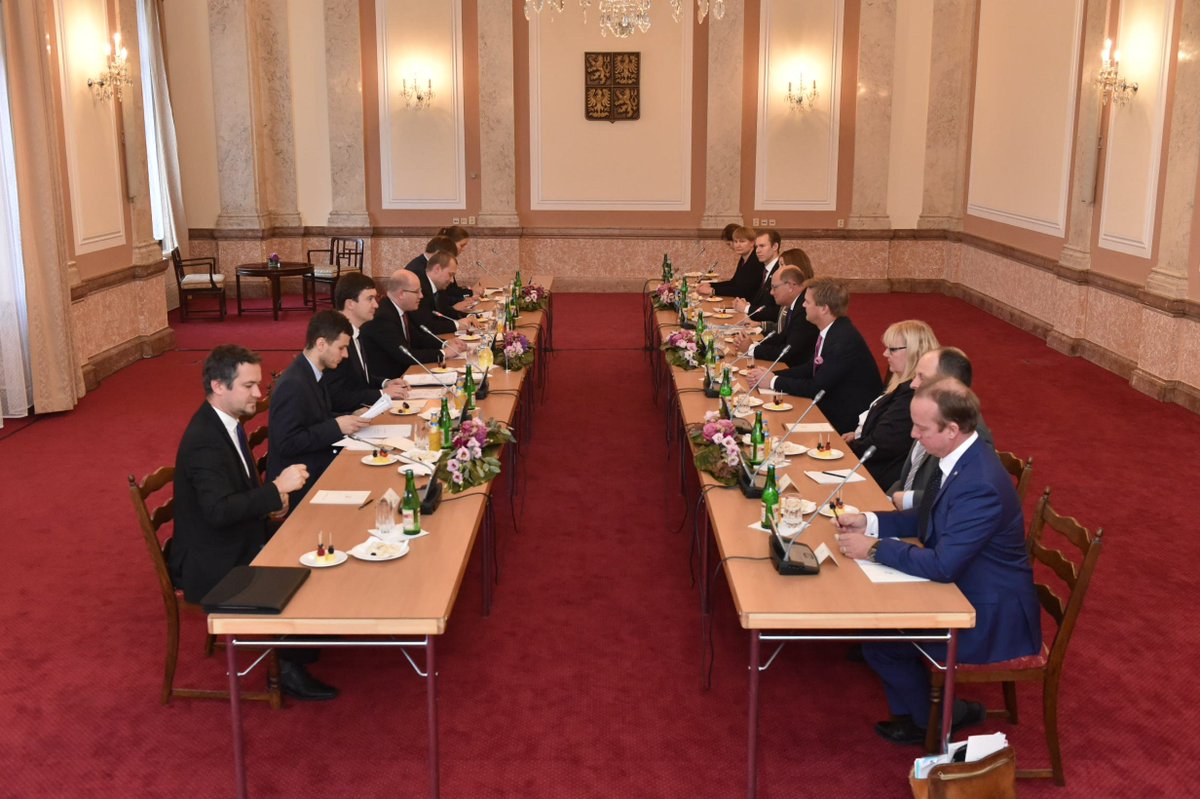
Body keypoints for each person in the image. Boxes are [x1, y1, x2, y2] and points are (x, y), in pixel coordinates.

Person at [834, 378, 1041, 745]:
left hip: (988, 613)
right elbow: (930, 517)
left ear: (952, 429)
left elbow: (944, 566)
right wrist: (870, 521)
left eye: (922, 428)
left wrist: (875, 548)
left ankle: (938, 719)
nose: (913, 435)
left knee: (883, 644)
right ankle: (924, 715)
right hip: (969, 585)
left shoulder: (980, 484)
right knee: (880, 634)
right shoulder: (959, 459)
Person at [169, 345, 337, 700]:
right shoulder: (204, 441)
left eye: (258, 384)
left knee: (313, 539)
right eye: (248, 386)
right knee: (302, 562)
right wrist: (275, 490)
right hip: (215, 559)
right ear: (218, 386)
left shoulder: (225, 423)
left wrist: (270, 504)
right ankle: (289, 667)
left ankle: (308, 638)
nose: (258, 394)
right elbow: (218, 511)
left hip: (234, 534)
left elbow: (234, 496)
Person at [744, 277, 882, 434]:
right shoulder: (833, 329)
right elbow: (811, 368)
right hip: (831, 403)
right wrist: (770, 375)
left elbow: (816, 388)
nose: (803, 305)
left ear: (824, 308)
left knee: (775, 425)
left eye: (807, 302)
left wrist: (773, 381)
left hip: (846, 421)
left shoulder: (842, 341)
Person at [266, 310, 369, 507]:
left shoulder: (313, 372)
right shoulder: (293, 384)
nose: (346, 355)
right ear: (321, 344)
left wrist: (350, 416)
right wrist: (337, 426)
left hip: (317, 462)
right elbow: (287, 442)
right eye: (341, 348)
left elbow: (317, 417)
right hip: (300, 482)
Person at [888, 347, 993, 511]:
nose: (913, 384)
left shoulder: (970, 433)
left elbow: (955, 497)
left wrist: (908, 499)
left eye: (922, 377)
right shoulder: (931, 414)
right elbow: (906, 480)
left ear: (949, 383)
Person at [843, 320, 939, 488]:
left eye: (892, 349)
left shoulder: (912, 394)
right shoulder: (900, 383)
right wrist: (859, 435)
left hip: (879, 480)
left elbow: (881, 444)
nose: (885, 354)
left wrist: (845, 447)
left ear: (914, 352)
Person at [323, 272, 410, 415]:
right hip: (348, 418)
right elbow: (336, 397)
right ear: (350, 304)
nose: (376, 305)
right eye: (370, 299)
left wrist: (385, 383)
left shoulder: (356, 332)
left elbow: (360, 379)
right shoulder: (334, 340)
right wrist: (381, 393)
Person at [360, 268, 465, 379]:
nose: (421, 296)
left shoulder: (398, 309)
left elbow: (418, 339)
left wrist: (445, 343)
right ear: (401, 294)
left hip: (405, 373)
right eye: (417, 292)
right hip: (393, 379)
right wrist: (444, 353)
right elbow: (406, 355)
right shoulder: (383, 317)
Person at [730, 264, 818, 367]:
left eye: (774, 287)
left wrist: (751, 348)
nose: (771, 292)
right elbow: (782, 338)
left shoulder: (804, 309)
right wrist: (753, 343)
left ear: (790, 286)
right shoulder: (796, 303)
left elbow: (789, 352)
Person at [696, 225, 762, 301]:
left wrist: (713, 290)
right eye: (736, 241)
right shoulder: (744, 258)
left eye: (742, 241)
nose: (738, 245)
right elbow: (734, 283)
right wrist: (710, 285)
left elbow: (743, 291)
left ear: (752, 243)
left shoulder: (756, 260)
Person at [739, 230, 784, 323]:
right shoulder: (765, 269)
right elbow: (763, 302)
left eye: (762, 246)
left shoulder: (780, 270)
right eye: (756, 247)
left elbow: (776, 312)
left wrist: (747, 308)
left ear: (775, 246)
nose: (757, 251)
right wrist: (748, 304)